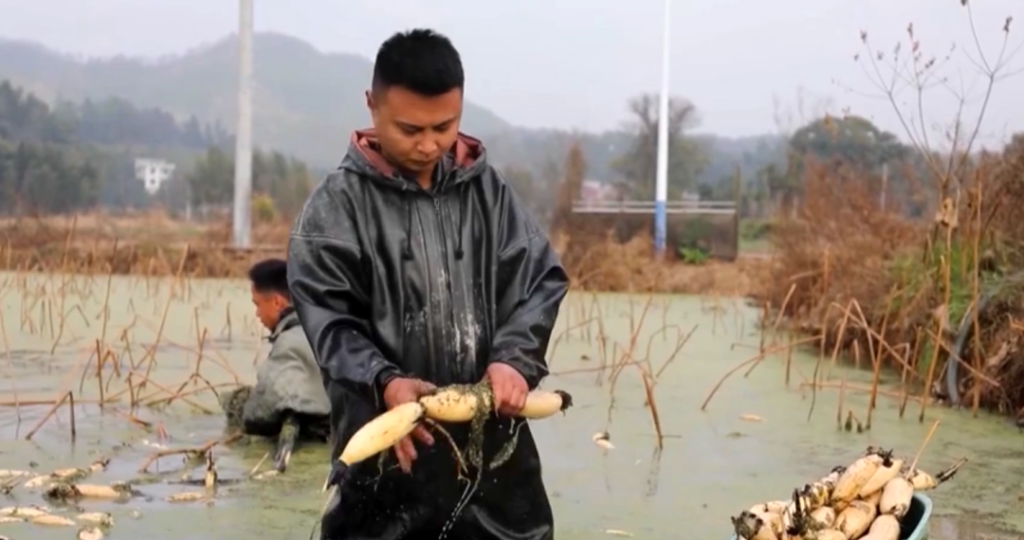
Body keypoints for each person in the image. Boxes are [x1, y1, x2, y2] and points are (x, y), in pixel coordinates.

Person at [287, 28, 569, 540]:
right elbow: (331, 323)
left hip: (495, 466)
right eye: (410, 128)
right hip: (388, 456)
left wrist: (514, 358)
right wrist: (383, 381)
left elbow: (539, 280)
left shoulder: (488, 192)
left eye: (445, 126)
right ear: (372, 106)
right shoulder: (334, 209)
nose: (429, 144)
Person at [238, 258, 331, 472]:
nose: (257, 314)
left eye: (257, 304)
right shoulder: (324, 323)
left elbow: (261, 412)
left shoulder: (288, 342)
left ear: (277, 302)